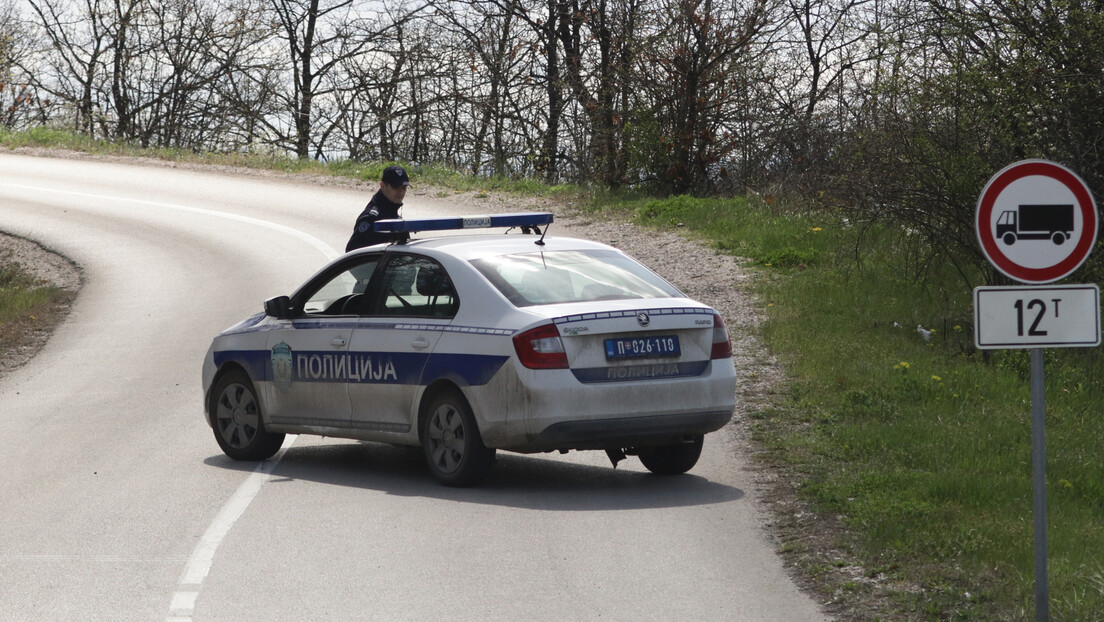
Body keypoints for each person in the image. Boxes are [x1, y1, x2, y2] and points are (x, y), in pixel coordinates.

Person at [346, 165, 411, 252]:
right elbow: (353, 252)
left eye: (403, 188)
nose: (400, 192)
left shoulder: (392, 212)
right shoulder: (372, 218)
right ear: (383, 185)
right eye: (395, 187)